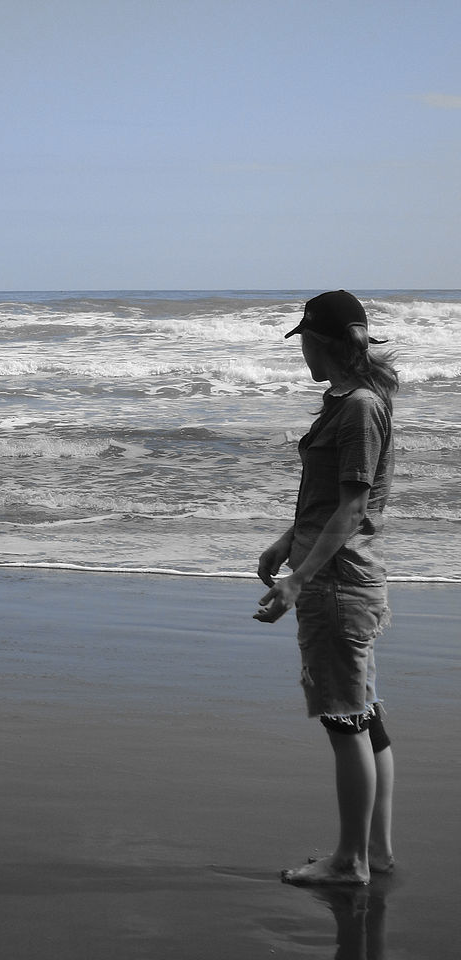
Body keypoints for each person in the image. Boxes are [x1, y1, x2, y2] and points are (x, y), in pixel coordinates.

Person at [254, 290, 399, 886]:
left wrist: (298, 580)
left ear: (323, 342)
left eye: (305, 341)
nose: (302, 353)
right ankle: (376, 851)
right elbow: (328, 501)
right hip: (340, 576)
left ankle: (351, 860)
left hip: (338, 585)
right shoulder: (347, 401)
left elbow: (352, 508)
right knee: (365, 718)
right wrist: (288, 539)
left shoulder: (359, 407)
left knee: (346, 723)